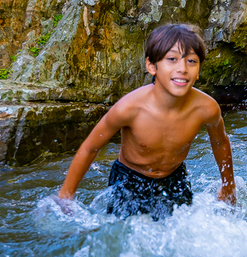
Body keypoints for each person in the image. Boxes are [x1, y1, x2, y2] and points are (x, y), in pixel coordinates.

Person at [57, 24, 236, 220]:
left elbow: (220, 142)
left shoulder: (206, 108)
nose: (182, 69)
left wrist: (228, 186)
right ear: (151, 65)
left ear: (199, 69)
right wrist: (66, 196)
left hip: (174, 179)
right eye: (172, 59)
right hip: (128, 180)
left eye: (191, 61)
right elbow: (90, 148)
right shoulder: (129, 108)